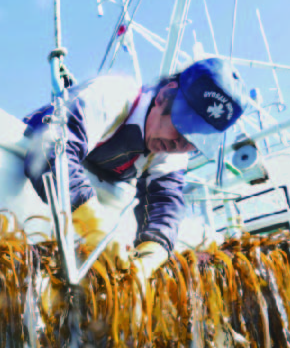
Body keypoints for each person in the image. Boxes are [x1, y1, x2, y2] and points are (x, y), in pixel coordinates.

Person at [22, 57, 248, 278]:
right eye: (182, 125)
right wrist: (94, 226)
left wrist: (150, 257)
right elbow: (50, 147)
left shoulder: (170, 152)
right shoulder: (112, 95)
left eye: (195, 139)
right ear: (164, 95)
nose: (180, 143)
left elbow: (165, 207)